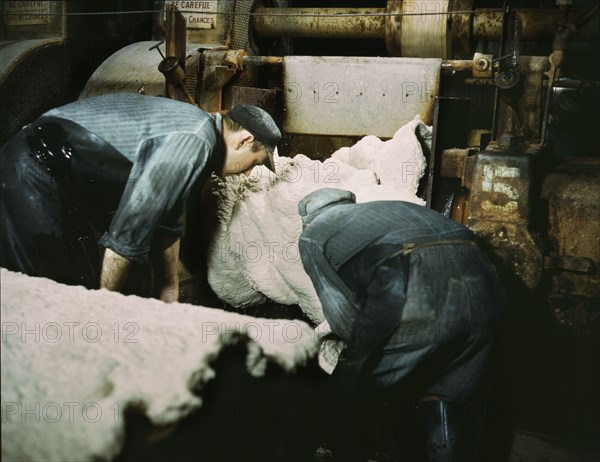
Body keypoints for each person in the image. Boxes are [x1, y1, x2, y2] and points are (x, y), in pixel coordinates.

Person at [0, 93, 281, 302]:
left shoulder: (202, 140)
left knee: (76, 284)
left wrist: (168, 289)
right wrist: (103, 307)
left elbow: (169, 219)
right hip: (32, 164)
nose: (247, 173)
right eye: (254, 163)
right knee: (42, 288)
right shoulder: (196, 139)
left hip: (61, 174)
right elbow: (127, 234)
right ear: (243, 141)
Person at [298, 188, 504, 462]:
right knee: (444, 391)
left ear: (307, 220)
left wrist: (356, 355)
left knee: (352, 382)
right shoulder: (387, 210)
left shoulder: (313, 235)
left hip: (416, 293)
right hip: (488, 291)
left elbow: (341, 311)